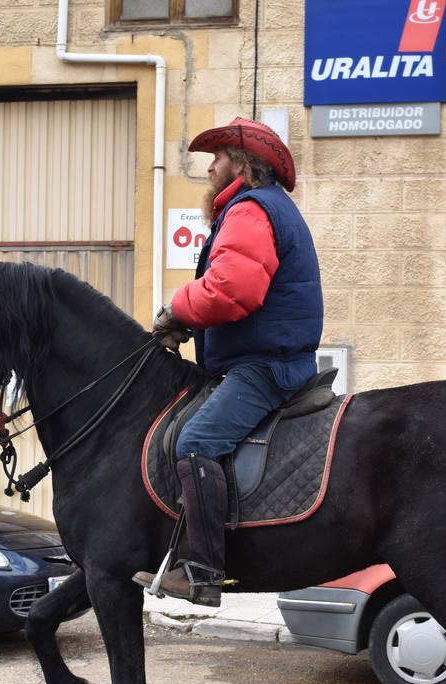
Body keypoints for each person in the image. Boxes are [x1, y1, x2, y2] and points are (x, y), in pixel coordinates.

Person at [134, 117, 324, 606]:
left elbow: (233, 290)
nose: (210, 167)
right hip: (264, 358)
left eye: (216, 157)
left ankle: (202, 571)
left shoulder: (250, 209)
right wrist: (193, 325)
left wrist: (175, 308)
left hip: (264, 368)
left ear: (241, 163)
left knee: (195, 443)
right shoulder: (263, 208)